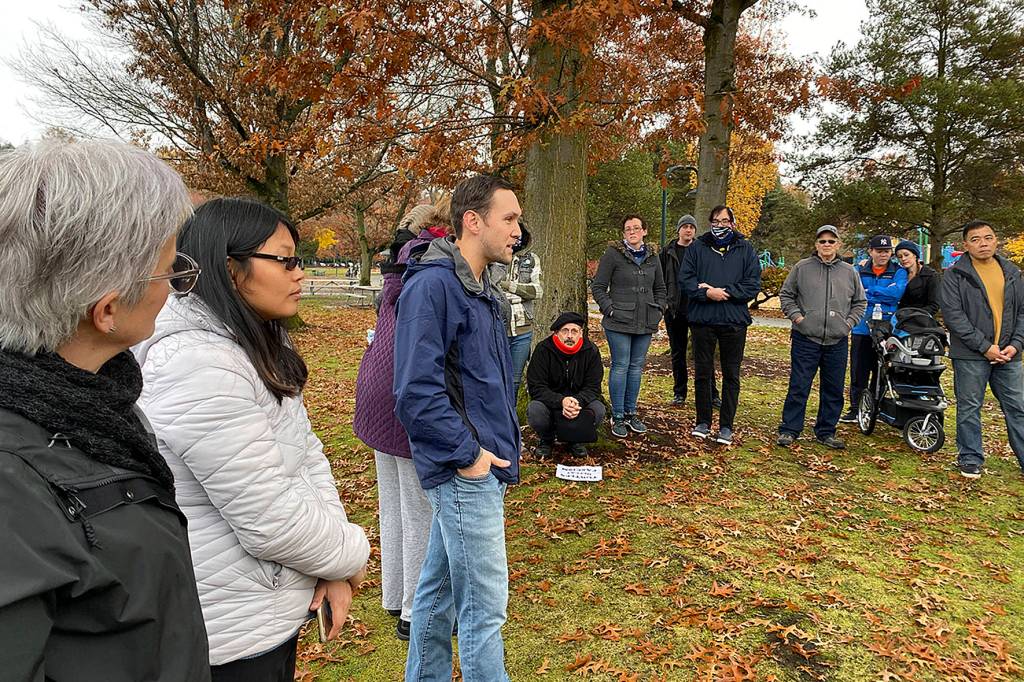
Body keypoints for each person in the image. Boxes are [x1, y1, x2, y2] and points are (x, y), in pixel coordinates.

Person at [0, 140, 210, 680]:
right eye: (171, 272)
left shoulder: (96, 404)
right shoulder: (13, 478)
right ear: (108, 308)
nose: (176, 288)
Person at [136, 197, 370, 680]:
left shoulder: (256, 340)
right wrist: (350, 555)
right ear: (230, 268)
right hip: (225, 629)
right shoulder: (195, 363)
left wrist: (331, 566)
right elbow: (267, 516)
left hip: (264, 605)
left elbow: (306, 455)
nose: (299, 273)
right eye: (284, 260)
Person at [393, 174, 522, 682]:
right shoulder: (433, 285)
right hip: (462, 469)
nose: (517, 230)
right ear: (474, 221)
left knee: (438, 591)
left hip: (478, 463)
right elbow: (414, 392)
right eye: (508, 219)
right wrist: (470, 457)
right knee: (485, 610)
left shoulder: (477, 284)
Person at [353, 201, 449, 641]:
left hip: (377, 388)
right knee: (419, 511)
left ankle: (395, 595)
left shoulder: (401, 265)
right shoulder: (433, 267)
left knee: (393, 504)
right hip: (402, 395)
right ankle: (415, 609)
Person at [940, 220, 1024, 479]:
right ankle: (970, 457)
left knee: (1018, 407)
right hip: (971, 355)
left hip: (1009, 355)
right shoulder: (955, 275)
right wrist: (985, 347)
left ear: (996, 240)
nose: (983, 243)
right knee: (969, 407)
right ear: (965, 245)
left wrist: (1016, 344)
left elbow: (1022, 312)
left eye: (988, 237)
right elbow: (954, 317)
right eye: (976, 239)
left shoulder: (1012, 272)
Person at [777, 226, 867, 449]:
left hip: (836, 341)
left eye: (831, 241)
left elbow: (860, 302)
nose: (826, 245)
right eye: (822, 241)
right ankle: (790, 429)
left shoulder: (849, 271)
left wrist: (847, 324)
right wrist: (799, 319)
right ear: (816, 245)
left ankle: (826, 430)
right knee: (799, 385)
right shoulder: (802, 268)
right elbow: (787, 295)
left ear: (838, 245)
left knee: (833, 388)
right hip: (806, 339)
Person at [679, 205, 761, 445]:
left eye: (725, 221)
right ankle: (703, 421)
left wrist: (724, 292)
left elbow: (752, 284)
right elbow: (686, 280)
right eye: (716, 221)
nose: (720, 225)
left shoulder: (745, 249)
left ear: (732, 223)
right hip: (703, 321)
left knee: (731, 374)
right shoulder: (697, 248)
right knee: (703, 373)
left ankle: (726, 425)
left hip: (734, 322)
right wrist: (706, 294)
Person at [591, 214, 667, 438]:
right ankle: (618, 415)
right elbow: (598, 287)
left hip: (646, 321)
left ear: (644, 231)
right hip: (619, 321)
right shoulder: (613, 255)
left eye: (636, 228)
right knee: (621, 365)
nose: (632, 232)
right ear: (623, 233)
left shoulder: (653, 257)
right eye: (627, 229)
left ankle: (632, 412)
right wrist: (610, 309)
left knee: (636, 367)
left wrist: (659, 309)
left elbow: (661, 288)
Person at [839, 235, 908, 423]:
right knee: (858, 370)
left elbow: (897, 293)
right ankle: (856, 409)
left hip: (887, 329)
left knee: (881, 370)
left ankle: (875, 408)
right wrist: (882, 294)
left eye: (886, 251)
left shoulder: (898, 271)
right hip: (862, 328)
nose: (883, 255)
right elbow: (853, 293)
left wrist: (870, 292)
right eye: (879, 251)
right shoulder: (859, 269)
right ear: (871, 251)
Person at [526, 312, 605, 457]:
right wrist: (561, 401)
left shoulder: (591, 350)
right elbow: (536, 387)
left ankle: (576, 440)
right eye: (565, 331)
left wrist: (576, 401)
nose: (570, 336)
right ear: (557, 333)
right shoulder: (543, 350)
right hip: (551, 404)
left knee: (598, 409)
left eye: (574, 331)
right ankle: (547, 439)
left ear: (581, 333)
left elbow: (593, 387)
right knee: (535, 410)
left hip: (578, 404)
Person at [661, 215, 721, 407]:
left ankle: (711, 393)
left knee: (704, 353)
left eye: (692, 227)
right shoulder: (667, 252)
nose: (688, 230)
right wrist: (665, 304)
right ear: (679, 229)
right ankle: (679, 393)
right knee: (678, 353)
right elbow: (660, 280)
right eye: (685, 227)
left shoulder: (702, 252)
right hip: (675, 310)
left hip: (698, 309)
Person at [500, 219, 543, 396]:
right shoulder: (495, 257)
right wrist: (521, 294)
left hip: (523, 329)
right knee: (496, 377)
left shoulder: (531, 260)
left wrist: (508, 286)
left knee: (514, 380)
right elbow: (490, 289)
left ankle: (509, 419)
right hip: (498, 327)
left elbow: (538, 291)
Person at [895, 240, 941, 314]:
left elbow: (934, 305)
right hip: (899, 318)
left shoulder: (931, 275)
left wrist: (914, 315)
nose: (903, 259)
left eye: (906, 255)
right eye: (900, 257)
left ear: (915, 255)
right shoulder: (899, 274)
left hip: (920, 320)